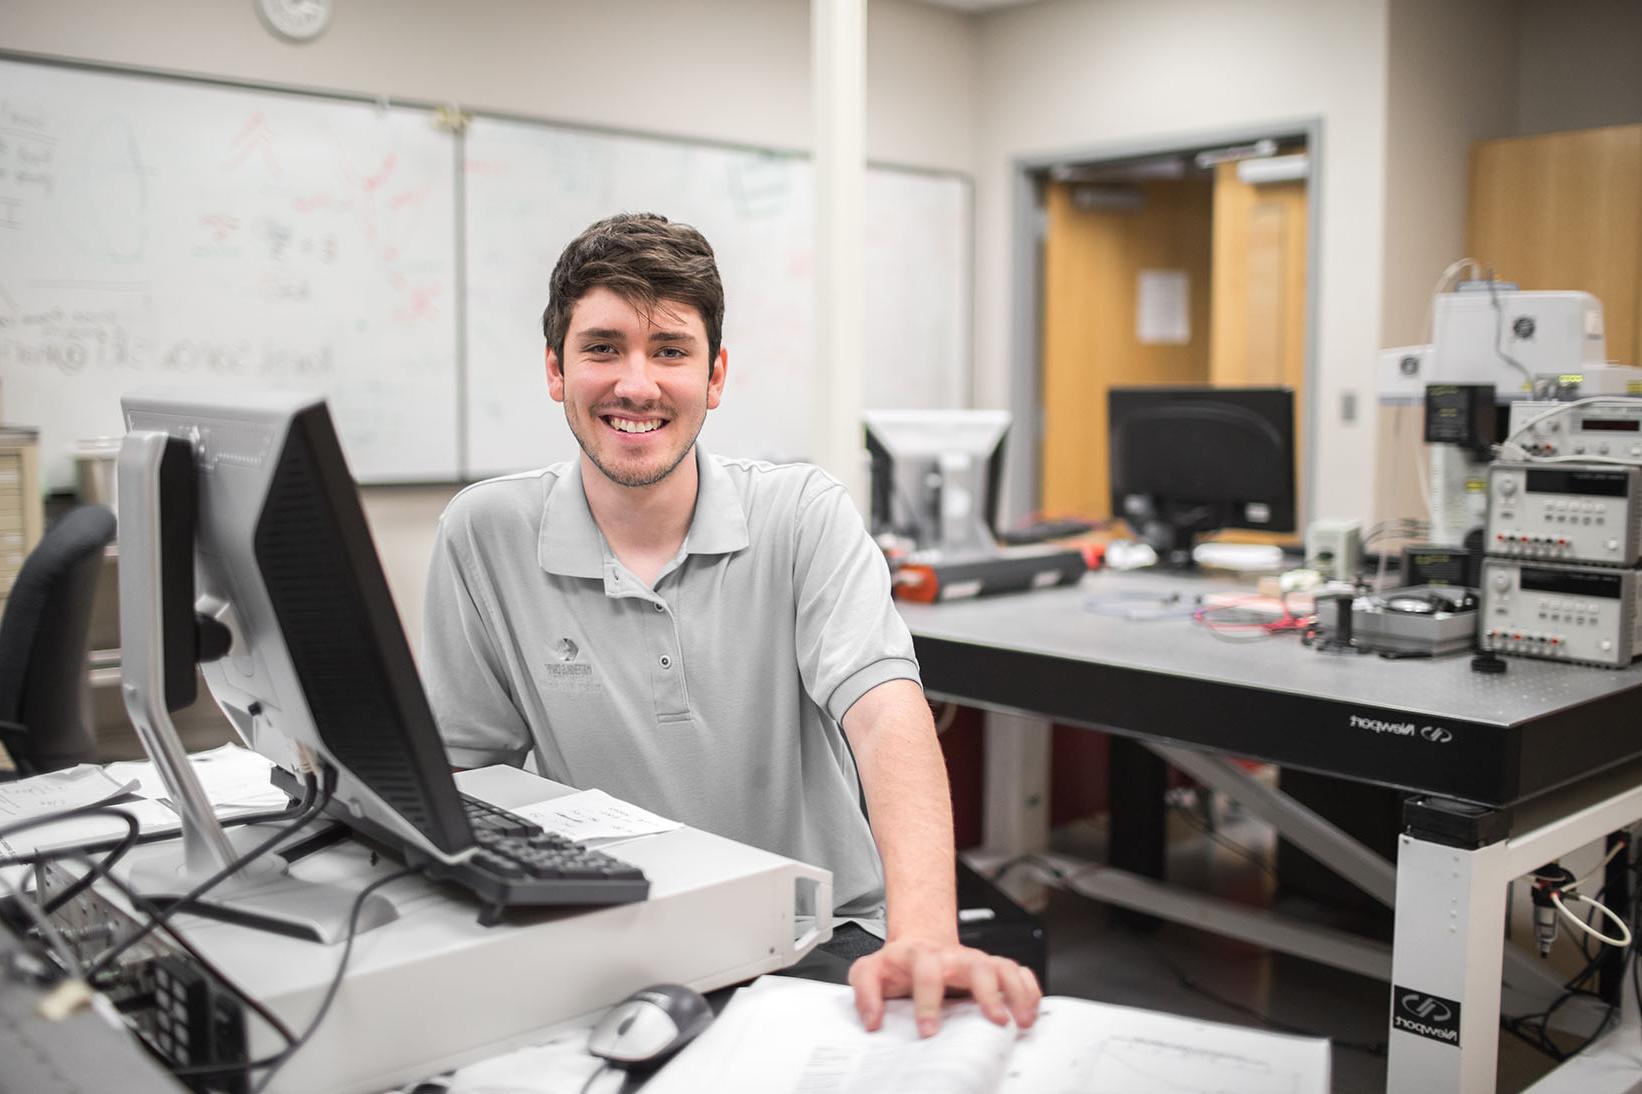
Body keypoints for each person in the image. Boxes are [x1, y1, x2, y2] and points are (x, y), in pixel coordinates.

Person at [422, 212, 1040, 1037]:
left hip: (814, 936)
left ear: (715, 377)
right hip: (607, 950)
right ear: (555, 369)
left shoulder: (801, 513)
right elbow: (467, 776)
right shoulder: (484, 532)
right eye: (603, 347)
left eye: (669, 351)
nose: (635, 384)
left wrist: (924, 935)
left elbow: (886, 713)